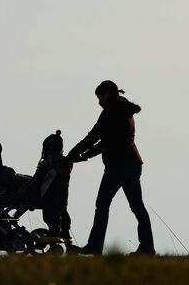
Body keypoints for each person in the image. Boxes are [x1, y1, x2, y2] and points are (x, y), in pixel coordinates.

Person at [66, 80, 155, 256]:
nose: (99, 102)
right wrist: (85, 155)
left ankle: (95, 246)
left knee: (102, 205)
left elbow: (94, 137)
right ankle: (147, 247)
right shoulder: (125, 110)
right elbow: (108, 141)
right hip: (134, 163)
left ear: (107, 93)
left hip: (117, 166)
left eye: (99, 97)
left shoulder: (111, 111)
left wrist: (71, 155)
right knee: (138, 207)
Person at [36, 130, 73, 254]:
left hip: (49, 197)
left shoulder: (51, 166)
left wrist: (43, 165)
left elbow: (39, 178)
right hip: (63, 197)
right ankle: (67, 237)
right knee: (63, 216)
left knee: (51, 217)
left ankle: (54, 243)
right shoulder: (66, 163)